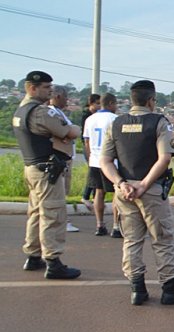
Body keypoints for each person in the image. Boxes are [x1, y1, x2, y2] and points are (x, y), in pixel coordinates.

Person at [100, 79, 174, 306]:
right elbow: (164, 158)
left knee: (131, 240)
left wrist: (122, 183)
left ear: (131, 99)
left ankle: (137, 289)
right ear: (151, 100)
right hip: (150, 190)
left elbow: (105, 160)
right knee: (162, 238)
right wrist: (144, 184)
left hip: (124, 192)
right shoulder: (159, 122)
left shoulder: (116, 124)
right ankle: (170, 288)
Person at [12, 71, 81, 279]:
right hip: (46, 171)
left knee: (36, 213)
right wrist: (73, 128)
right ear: (33, 88)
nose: (50, 92)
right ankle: (53, 261)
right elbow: (69, 132)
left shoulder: (20, 110)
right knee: (53, 214)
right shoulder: (40, 112)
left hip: (33, 168)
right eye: (46, 88)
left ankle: (33, 256)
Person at [82, 93, 121, 237]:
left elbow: (86, 142)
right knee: (117, 193)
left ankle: (100, 225)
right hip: (111, 162)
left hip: (95, 160)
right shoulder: (115, 119)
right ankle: (116, 226)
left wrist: (89, 158)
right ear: (111, 104)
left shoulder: (90, 119)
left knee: (98, 192)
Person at [48, 84, 80, 232]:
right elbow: (69, 132)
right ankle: (62, 221)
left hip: (66, 155)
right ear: (58, 96)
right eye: (66, 97)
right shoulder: (52, 113)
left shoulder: (59, 112)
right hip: (60, 157)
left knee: (64, 190)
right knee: (60, 192)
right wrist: (71, 131)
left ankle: (61, 219)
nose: (67, 101)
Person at [80, 94, 101, 211]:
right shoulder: (87, 116)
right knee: (93, 172)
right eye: (97, 103)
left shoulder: (96, 116)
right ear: (91, 103)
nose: (99, 106)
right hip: (89, 147)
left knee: (95, 172)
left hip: (95, 147)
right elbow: (85, 136)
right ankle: (86, 196)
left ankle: (94, 196)